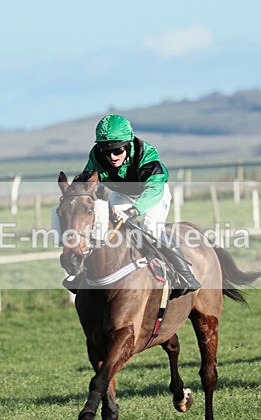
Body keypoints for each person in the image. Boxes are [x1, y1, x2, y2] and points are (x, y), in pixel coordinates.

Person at [81, 114, 200, 297]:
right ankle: (86, 274)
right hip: (123, 194)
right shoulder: (96, 155)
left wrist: (134, 210)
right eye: (106, 151)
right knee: (102, 227)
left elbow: (154, 188)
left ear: (128, 144)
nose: (112, 157)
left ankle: (185, 274)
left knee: (149, 228)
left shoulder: (146, 153)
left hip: (153, 194)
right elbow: (88, 182)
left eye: (118, 151)